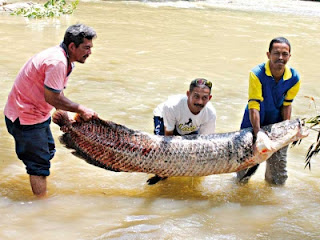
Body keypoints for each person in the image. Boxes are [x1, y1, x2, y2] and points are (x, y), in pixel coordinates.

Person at [4, 24, 98, 197]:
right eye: (86, 47)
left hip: (33, 113)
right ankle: (41, 206)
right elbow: (53, 98)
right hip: (25, 117)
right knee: (39, 166)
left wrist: (65, 115)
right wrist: (81, 109)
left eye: (91, 48)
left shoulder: (64, 59)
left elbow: (55, 91)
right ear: (72, 46)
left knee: (47, 151)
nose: (90, 52)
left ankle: (35, 180)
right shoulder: (57, 62)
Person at [237, 37, 300, 185]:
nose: (280, 57)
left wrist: (286, 130)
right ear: (268, 55)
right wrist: (257, 133)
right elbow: (254, 105)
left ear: (289, 56)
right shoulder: (257, 74)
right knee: (245, 172)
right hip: (252, 124)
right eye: (276, 53)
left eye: (285, 54)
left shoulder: (294, 78)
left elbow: (287, 105)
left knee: (278, 177)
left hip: (276, 127)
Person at [148, 78, 217, 185]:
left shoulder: (210, 114)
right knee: (162, 151)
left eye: (204, 98)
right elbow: (168, 139)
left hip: (187, 126)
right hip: (164, 117)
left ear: (210, 98)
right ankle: (160, 176)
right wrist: (165, 169)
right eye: (196, 96)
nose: (199, 102)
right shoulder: (172, 106)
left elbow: (204, 143)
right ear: (188, 94)